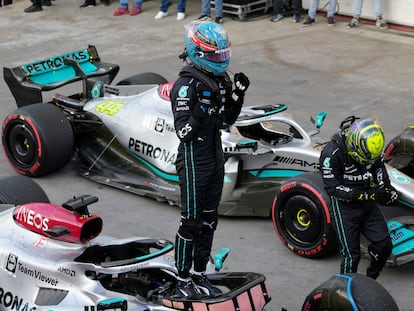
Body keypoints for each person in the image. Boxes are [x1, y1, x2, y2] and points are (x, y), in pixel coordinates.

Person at [170, 21, 249, 297]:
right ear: (198, 53)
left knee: (209, 221)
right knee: (190, 222)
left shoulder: (221, 80)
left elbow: (227, 119)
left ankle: (199, 274)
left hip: (216, 158)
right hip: (193, 162)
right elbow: (184, 133)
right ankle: (181, 280)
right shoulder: (184, 87)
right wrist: (200, 109)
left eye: (222, 54)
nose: (221, 60)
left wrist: (237, 96)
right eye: (215, 56)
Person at [319, 116, 398, 279]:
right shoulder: (330, 154)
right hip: (344, 209)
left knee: (385, 245)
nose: (368, 162)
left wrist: (385, 188)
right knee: (351, 256)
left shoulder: (372, 146)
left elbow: (378, 167)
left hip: (367, 204)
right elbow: (333, 189)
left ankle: (370, 280)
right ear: (353, 145)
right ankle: (345, 291)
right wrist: (368, 194)